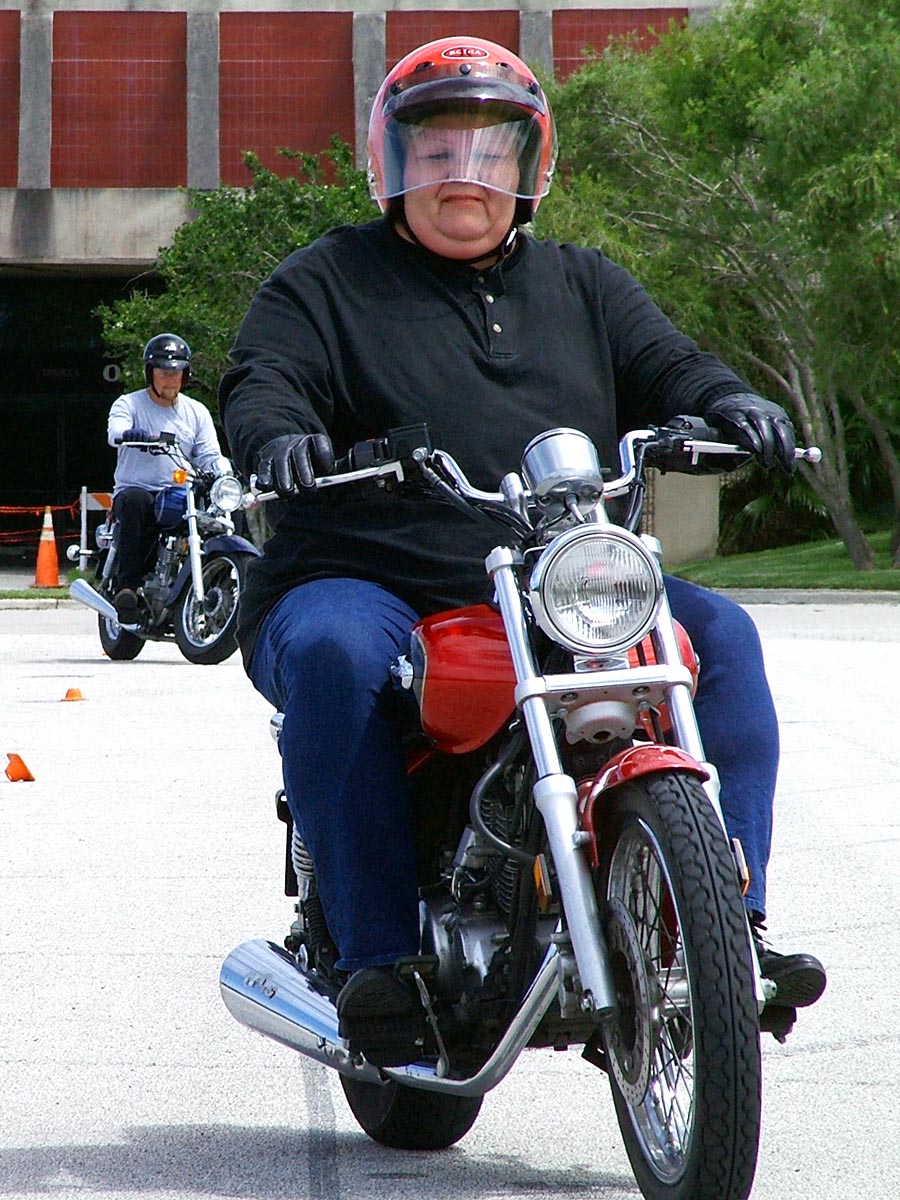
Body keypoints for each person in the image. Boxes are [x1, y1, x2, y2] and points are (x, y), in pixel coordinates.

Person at [219, 36, 826, 1064]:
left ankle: (734, 927)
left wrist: (731, 400)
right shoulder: (324, 280)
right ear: (390, 162)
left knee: (720, 638)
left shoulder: (586, 284)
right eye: (437, 149)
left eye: (490, 150)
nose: (465, 173)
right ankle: (375, 959)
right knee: (334, 654)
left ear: (529, 165)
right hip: (367, 573)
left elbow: (670, 363)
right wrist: (277, 437)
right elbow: (262, 378)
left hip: (555, 578)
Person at [107, 333, 231, 624]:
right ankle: (127, 588)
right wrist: (129, 434)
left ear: (185, 375)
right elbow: (115, 432)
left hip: (180, 493)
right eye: (163, 372)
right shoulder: (129, 404)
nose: (170, 379)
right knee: (136, 501)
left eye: (176, 372)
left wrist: (225, 472)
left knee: (218, 515)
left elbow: (209, 454)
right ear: (150, 373)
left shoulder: (196, 412)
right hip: (139, 489)